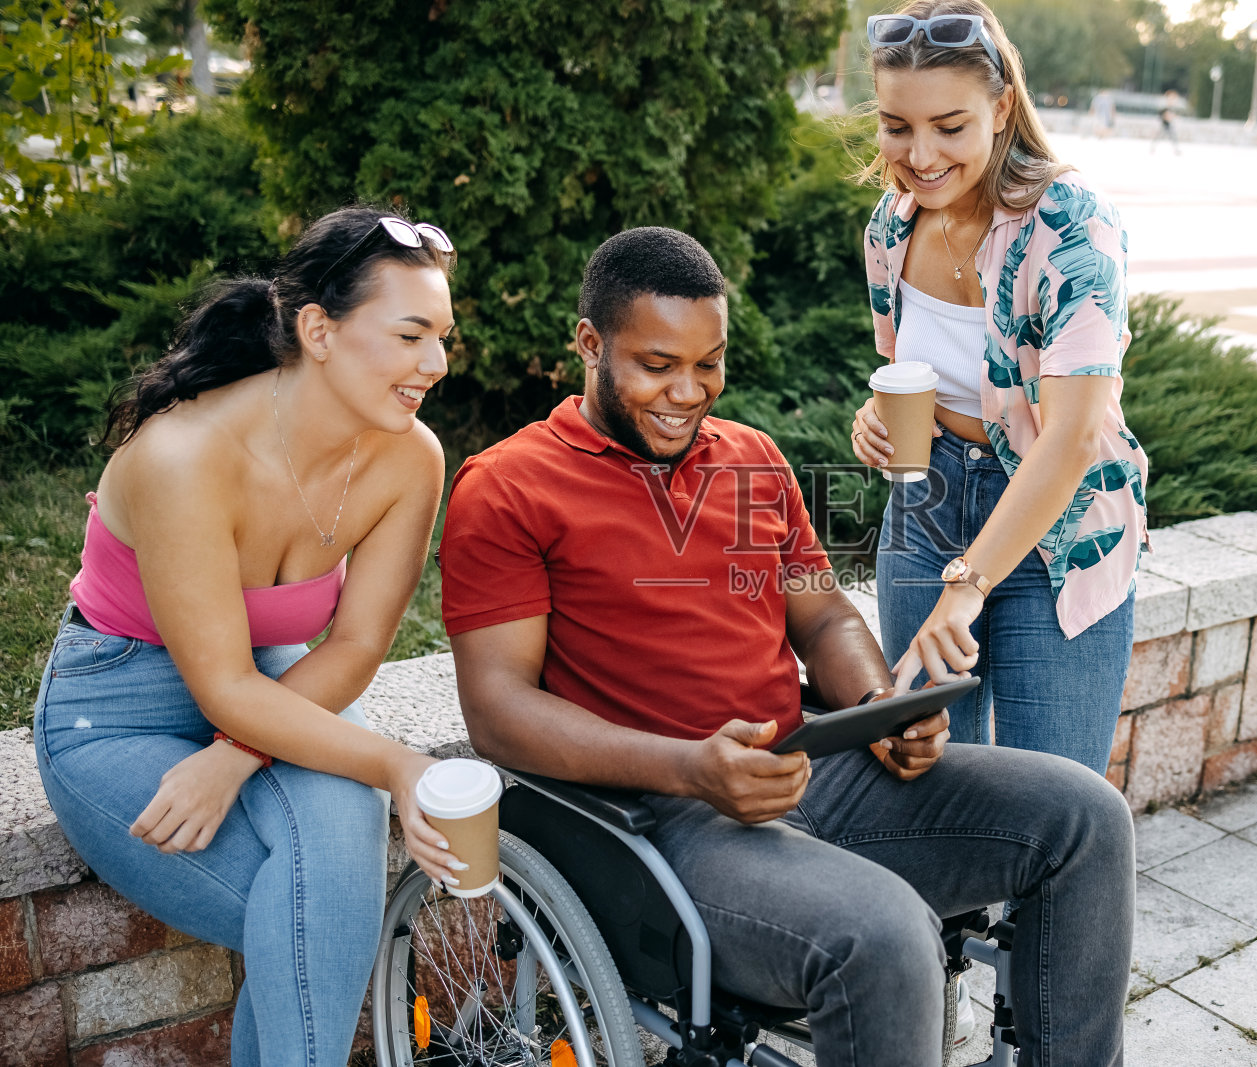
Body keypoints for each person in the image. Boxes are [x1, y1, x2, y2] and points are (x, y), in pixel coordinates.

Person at [441, 226, 1135, 1067]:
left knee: (1086, 818)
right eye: (657, 365)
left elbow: (824, 619)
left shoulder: (751, 460)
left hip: (812, 766)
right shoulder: (508, 486)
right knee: (884, 935)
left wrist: (879, 705)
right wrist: (692, 767)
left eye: (709, 364)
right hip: (660, 821)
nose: (687, 392)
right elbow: (498, 713)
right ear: (589, 344)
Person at [33, 207, 463, 1067]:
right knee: (317, 909)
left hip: (269, 690)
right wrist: (398, 762)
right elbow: (223, 687)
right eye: (412, 334)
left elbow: (352, 650)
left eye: (444, 337)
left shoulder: (409, 457)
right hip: (116, 708)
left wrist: (233, 751)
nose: (436, 364)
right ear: (318, 330)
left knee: (335, 838)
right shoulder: (183, 457)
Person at [851, 0, 1147, 774]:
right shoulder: (891, 224)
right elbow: (909, 371)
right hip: (925, 505)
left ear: (1002, 107)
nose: (919, 154)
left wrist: (969, 583)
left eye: (950, 127)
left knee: (1053, 795)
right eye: (897, 126)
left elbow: (1076, 437)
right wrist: (874, 420)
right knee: (922, 778)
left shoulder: (1073, 227)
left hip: (1060, 525)